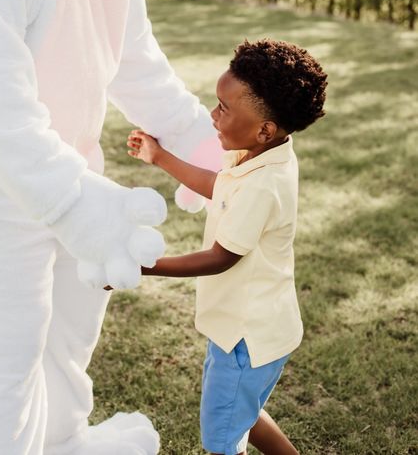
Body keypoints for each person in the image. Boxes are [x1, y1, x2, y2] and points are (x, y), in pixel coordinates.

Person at [126, 38, 328, 455]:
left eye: (223, 108)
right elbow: (219, 187)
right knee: (245, 415)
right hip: (259, 328)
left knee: (221, 439)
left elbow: (221, 257)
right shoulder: (259, 154)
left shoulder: (262, 182)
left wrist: (143, 266)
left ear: (264, 128)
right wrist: (159, 157)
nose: (214, 115)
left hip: (245, 339)